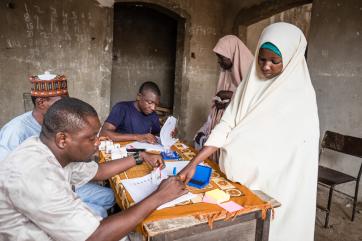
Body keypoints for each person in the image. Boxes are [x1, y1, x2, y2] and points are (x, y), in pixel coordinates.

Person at [180, 23, 319, 241]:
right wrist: (194, 162)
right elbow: (226, 124)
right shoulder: (250, 84)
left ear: (291, 59)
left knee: (276, 229)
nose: (265, 67)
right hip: (244, 180)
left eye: (275, 61)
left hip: (280, 187)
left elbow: (291, 154)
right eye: (262, 59)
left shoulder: (301, 98)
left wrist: (244, 152)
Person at [0, 97, 187, 241]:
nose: (98, 143)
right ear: (62, 139)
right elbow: (95, 237)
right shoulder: (36, 174)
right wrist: (160, 196)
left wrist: (140, 156)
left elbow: (98, 171)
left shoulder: (49, 149)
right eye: (91, 138)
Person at [0, 72, 115, 218]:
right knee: (99, 213)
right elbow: (8, 182)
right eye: (60, 102)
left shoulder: (61, 125)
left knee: (109, 197)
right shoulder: (16, 131)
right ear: (41, 103)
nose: (66, 106)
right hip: (39, 195)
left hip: (67, 181)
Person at [194, 35, 253, 157]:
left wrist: (232, 97)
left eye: (222, 57)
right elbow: (214, 111)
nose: (219, 61)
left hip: (234, 139)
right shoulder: (227, 75)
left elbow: (251, 102)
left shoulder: (252, 75)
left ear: (233, 54)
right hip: (218, 135)